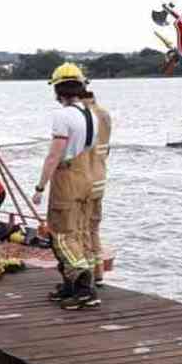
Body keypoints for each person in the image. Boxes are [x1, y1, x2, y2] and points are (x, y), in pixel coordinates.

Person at [32, 63, 100, 310]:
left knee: (60, 235)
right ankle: (72, 286)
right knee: (79, 232)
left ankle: (83, 288)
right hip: (87, 176)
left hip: (67, 177)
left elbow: (54, 155)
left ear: (58, 89)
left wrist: (40, 187)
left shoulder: (62, 116)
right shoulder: (89, 113)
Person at [82, 90, 112, 287]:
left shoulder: (84, 116)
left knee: (81, 229)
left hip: (84, 178)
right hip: (101, 176)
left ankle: (86, 276)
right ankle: (98, 272)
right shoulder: (105, 115)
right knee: (94, 228)